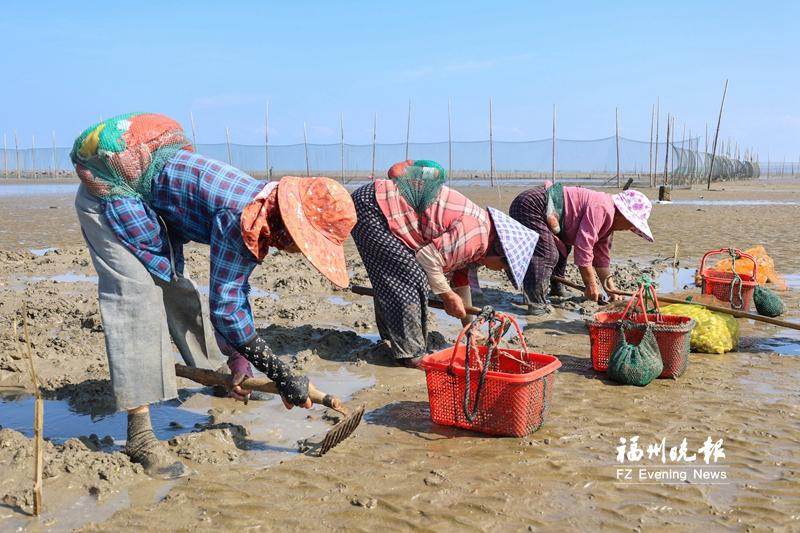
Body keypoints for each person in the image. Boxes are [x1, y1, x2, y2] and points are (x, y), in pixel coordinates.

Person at [71, 113, 356, 478]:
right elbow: (226, 310)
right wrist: (283, 375)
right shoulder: (243, 217)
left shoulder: (261, 205)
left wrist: (240, 360)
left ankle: (219, 374)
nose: (296, 251)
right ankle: (140, 434)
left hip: (146, 194)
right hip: (109, 190)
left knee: (179, 289)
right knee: (135, 298)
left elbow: (234, 292)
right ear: (287, 222)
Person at [351, 159, 539, 368]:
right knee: (411, 278)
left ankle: (392, 339)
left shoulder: (481, 237)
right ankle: (410, 355)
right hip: (374, 208)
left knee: (395, 275)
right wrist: (447, 296)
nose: (499, 270)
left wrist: (470, 328)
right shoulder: (477, 235)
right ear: (500, 253)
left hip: (377, 207)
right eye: (504, 268)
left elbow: (460, 281)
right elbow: (427, 258)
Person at [509, 182, 654, 315]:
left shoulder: (608, 224)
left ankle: (556, 288)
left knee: (563, 249)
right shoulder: (602, 207)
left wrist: (611, 290)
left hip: (546, 211)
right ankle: (536, 303)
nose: (630, 228)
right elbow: (583, 248)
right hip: (531, 205)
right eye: (631, 224)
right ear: (623, 214)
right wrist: (591, 285)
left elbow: (601, 259)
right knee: (547, 254)